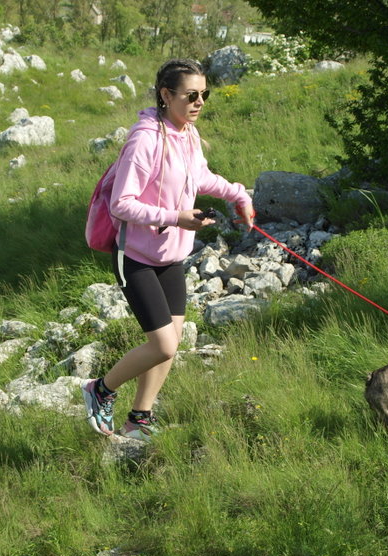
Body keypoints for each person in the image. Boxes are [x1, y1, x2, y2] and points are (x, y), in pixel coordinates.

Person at [82, 59, 255, 441]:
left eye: (204, 94)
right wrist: (176, 217)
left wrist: (238, 194)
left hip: (171, 256)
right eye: (191, 95)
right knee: (163, 344)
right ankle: (100, 389)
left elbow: (200, 177)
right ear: (166, 95)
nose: (200, 102)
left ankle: (138, 419)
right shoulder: (144, 140)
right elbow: (121, 204)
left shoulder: (187, 133)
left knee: (170, 346)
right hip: (135, 256)